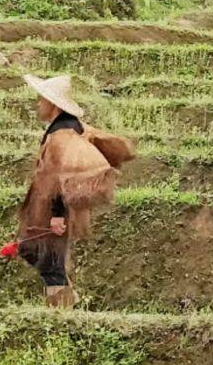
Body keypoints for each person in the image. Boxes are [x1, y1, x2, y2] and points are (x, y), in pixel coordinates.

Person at [15, 73, 133, 307]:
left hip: (54, 209)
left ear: (53, 104)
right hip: (47, 206)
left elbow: (64, 176)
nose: (38, 104)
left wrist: (58, 214)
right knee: (31, 249)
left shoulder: (63, 135)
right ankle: (68, 301)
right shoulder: (66, 129)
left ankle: (61, 309)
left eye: (41, 100)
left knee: (50, 260)